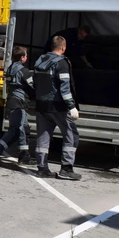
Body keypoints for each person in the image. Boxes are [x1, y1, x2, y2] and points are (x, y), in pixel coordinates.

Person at [33, 36, 82, 181]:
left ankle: (42, 168)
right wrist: (72, 106)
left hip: (41, 105)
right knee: (71, 135)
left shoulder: (40, 60)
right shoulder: (62, 63)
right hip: (58, 106)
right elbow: (65, 88)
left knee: (43, 136)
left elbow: (34, 82)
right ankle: (66, 169)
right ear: (63, 48)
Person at [0, 46, 37, 166]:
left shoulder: (10, 69)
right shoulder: (24, 72)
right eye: (25, 55)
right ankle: (1, 153)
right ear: (22, 58)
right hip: (19, 104)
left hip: (12, 102)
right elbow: (33, 87)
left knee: (21, 130)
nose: (26, 57)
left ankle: (20, 154)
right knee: (18, 129)